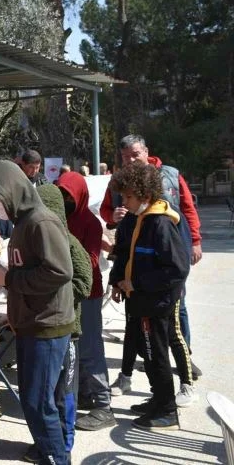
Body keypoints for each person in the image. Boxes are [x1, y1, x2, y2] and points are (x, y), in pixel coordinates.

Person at [0, 160, 74, 465]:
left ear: (11, 191)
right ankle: (50, 451)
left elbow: (59, 271)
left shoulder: (40, 221)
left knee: (37, 402)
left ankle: (56, 458)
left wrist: (7, 279)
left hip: (47, 324)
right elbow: (29, 268)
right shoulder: (22, 224)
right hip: (31, 322)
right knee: (38, 401)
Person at [102, 135, 201, 398]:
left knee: (173, 326)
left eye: (135, 154)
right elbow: (121, 241)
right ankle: (131, 379)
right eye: (125, 156)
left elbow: (188, 211)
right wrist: (118, 279)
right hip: (138, 278)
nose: (131, 159)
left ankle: (185, 382)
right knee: (136, 326)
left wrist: (196, 241)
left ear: (146, 151)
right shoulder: (123, 192)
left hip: (164, 276)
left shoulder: (164, 204)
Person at [108, 162, 190, 430]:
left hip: (156, 303)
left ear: (144, 195)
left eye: (129, 197)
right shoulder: (138, 219)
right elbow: (127, 253)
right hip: (140, 300)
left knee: (157, 355)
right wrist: (119, 282)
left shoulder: (161, 223)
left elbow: (177, 269)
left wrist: (137, 283)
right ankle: (158, 399)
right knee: (148, 352)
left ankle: (167, 410)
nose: (125, 202)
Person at [21, 184, 93, 463]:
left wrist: (50, 293)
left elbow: (83, 284)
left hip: (68, 330)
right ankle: (45, 444)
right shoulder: (39, 241)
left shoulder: (70, 243)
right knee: (44, 394)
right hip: (44, 327)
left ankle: (64, 445)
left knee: (63, 394)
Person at [57, 173, 116, 431]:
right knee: (76, 348)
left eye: (70, 195)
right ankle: (83, 393)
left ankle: (104, 405)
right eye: (62, 194)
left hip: (88, 294)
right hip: (68, 293)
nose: (65, 200)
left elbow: (91, 262)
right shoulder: (60, 219)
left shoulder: (89, 222)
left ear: (80, 195)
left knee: (91, 349)